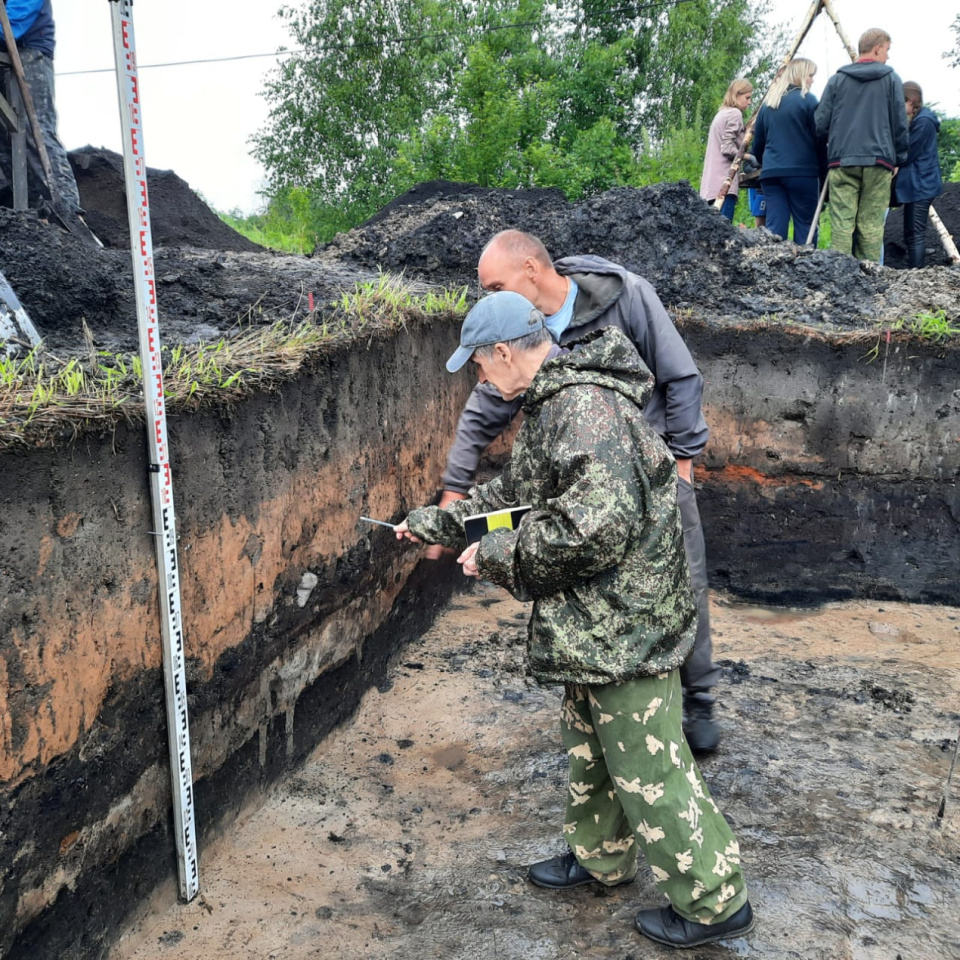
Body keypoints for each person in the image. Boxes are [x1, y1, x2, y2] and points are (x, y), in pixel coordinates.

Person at [395, 291, 754, 949]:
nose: (481, 379)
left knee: (651, 769)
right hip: (593, 626)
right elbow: (517, 498)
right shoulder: (554, 406)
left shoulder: (585, 412)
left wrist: (497, 555)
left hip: (626, 628)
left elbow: (592, 529)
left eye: (479, 367)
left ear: (504, 353)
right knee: (593, 752)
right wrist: (436, 523)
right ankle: (601, 859)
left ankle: (714, 899)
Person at [434, 230, 722, 755]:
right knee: (596, 584)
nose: (491, 298)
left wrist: (681, 465)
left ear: (530, 269)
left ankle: (696, 699)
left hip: (653, 473)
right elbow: (483, 412)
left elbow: (680, 378)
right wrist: (455, 490)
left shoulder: (626, 297)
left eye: (496, 284)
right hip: (583, 484)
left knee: (684, 578)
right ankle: (615, 701)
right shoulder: (519, 334)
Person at [814, 28, 908, 262]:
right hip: (879, 162)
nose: (888, 56)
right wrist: (899, 157)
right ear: (877, 48)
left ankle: (839, 277)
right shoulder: (891, 79)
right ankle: (869, 282)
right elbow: (900, 123)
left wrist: (833, 144)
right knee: (871, 225)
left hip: (842, 161)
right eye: (887, 50)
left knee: (842, 224)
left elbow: (820, 124)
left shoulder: (837, 80)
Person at [0, 0, 81, 216]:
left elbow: (18, 15)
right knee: (4, 138)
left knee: (34, 130)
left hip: (27, 49)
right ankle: (22, 212)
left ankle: (66, 210)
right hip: (3, 53)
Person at [752, 58, 824, 245]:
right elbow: (819, 138)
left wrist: (766, 161)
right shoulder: (808, 100)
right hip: (802, 172)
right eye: (810, 75)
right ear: (800, 75)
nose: (812, 80)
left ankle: (774, 269)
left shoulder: (769, 104)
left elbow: (757, 145)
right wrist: (823, 168)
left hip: (771, 173)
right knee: (805, 226)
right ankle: (805, 268)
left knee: (775, 227)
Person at [894, 82, 943, 269]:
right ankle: (914, 273)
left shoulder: (923, 122)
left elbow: (909, 152)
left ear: (910, 101)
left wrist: (895, 163)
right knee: (911, 233)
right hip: (919, 184)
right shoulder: (921, 119)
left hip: (921, 185)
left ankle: (916, 275)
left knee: (915, 234)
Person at [700, 78, 753, 221]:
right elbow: (727, 147)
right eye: (747, 97)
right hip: (724, 185)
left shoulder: (721, 114)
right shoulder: (735, 114)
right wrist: (748, 157)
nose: (750, 102)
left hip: (710, 187)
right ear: (736, 95)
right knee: (723, 235)